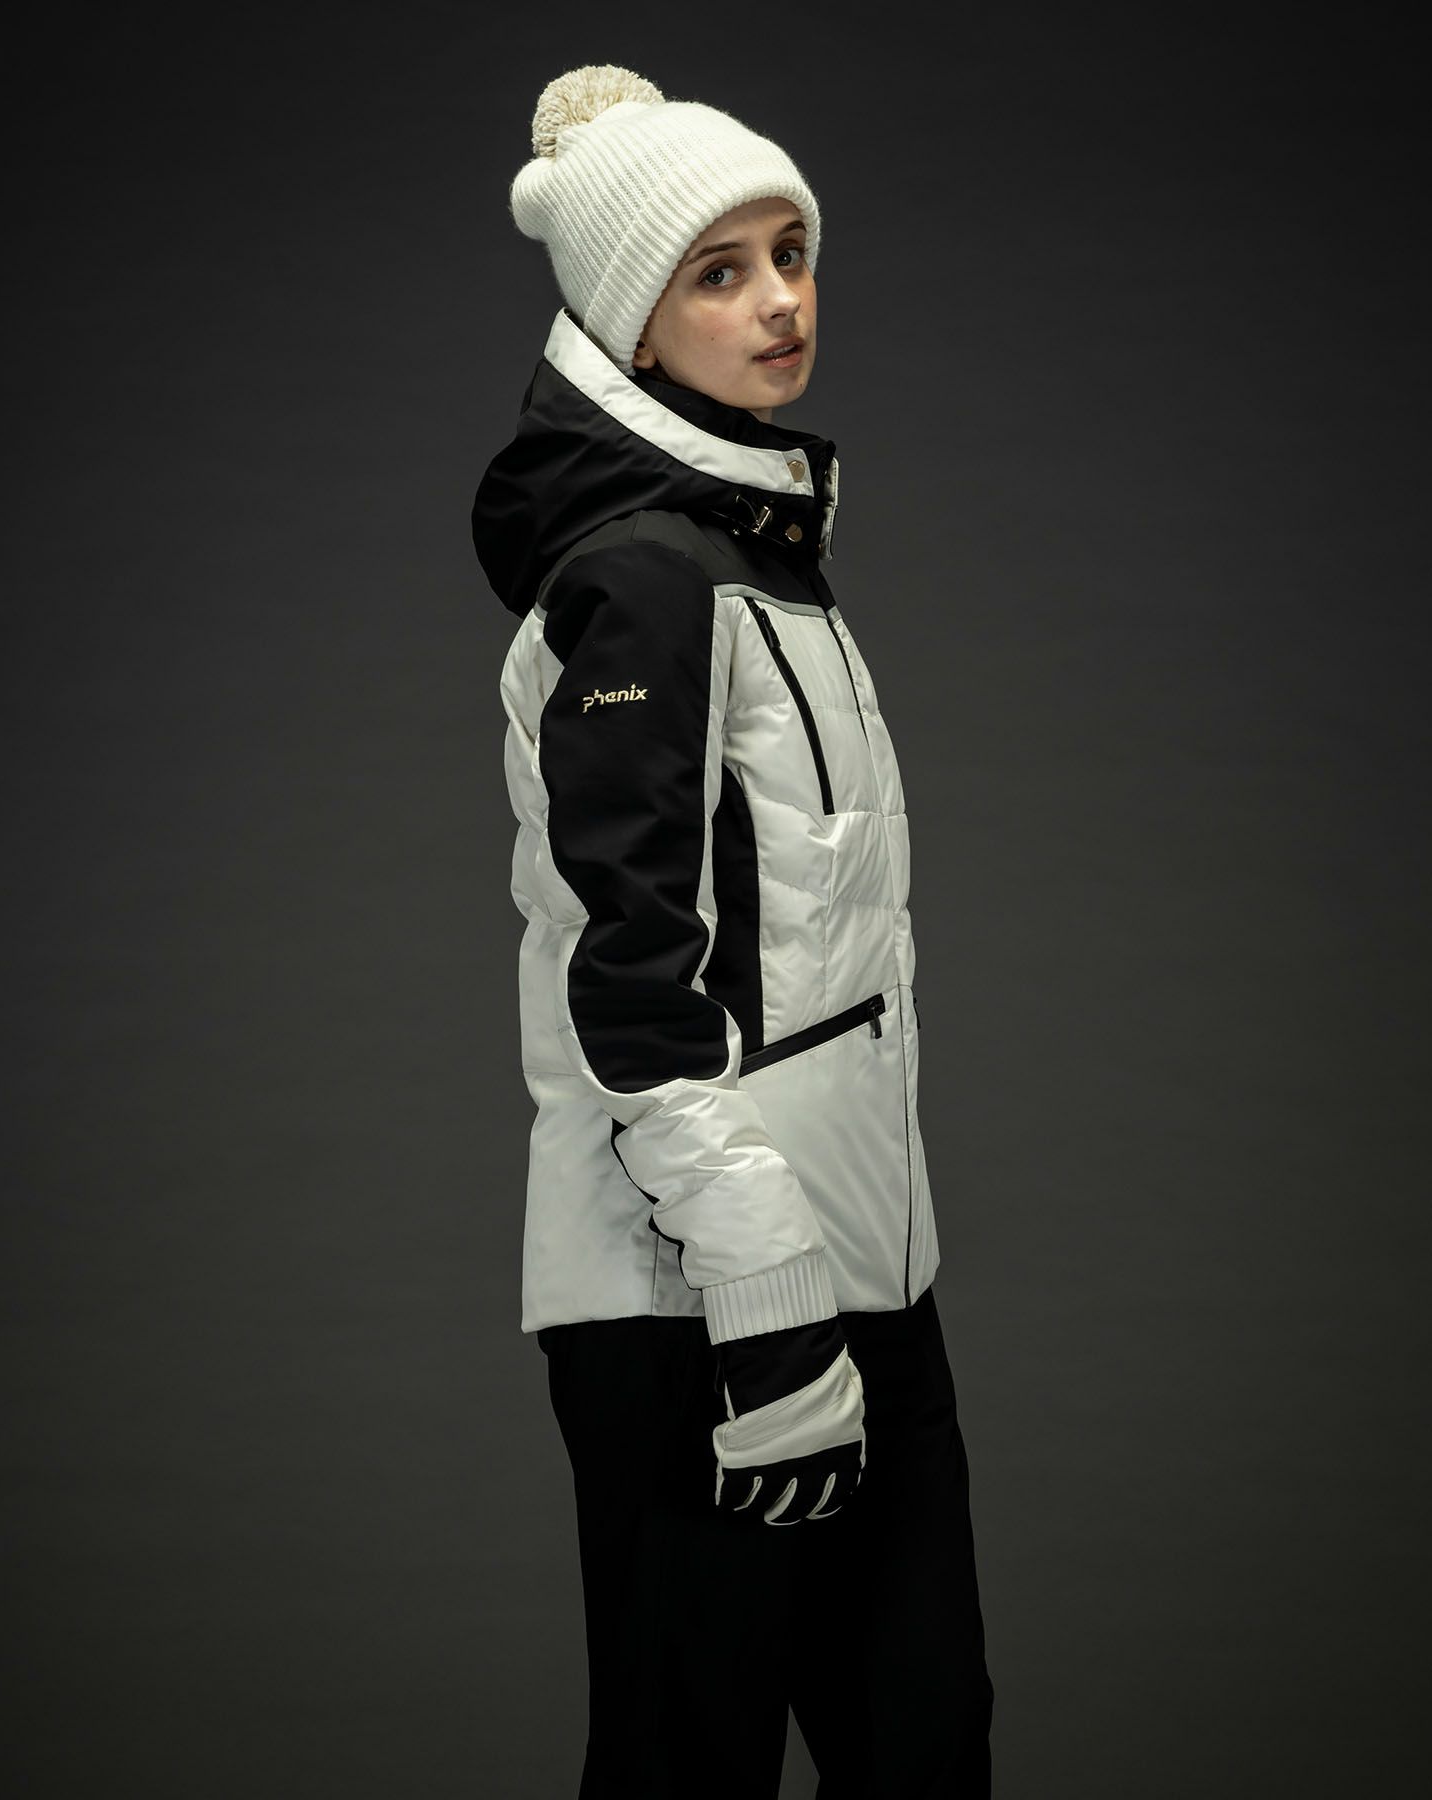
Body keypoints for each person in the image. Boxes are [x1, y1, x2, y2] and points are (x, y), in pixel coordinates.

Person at [472, 64, 995, 1798]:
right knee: (689, 1764)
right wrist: (765, 1310)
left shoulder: (766, 567)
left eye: (791, 252)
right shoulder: (641, 582)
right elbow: (625, 977)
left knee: (924, 1743)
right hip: (697, 1307)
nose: (780, 299)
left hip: (865, 1282)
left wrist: (851, 1306)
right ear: (632, 316)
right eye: (718, 270)